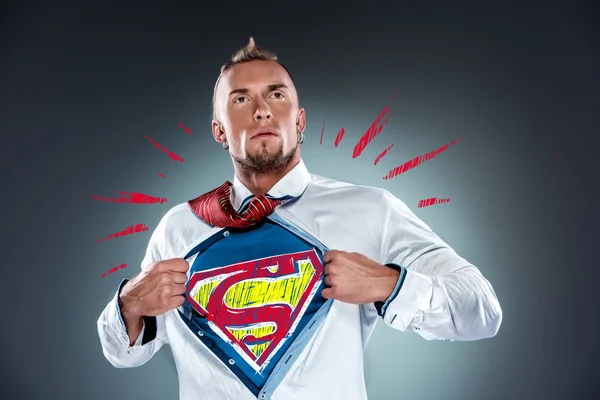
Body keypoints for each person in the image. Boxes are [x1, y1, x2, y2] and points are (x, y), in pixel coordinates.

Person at [97, 37, 502, 400]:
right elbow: (122, 353)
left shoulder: (370, 210)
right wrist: (129, 304)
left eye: (276, 95)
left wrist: (389, 284)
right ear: (219, 131)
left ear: (299, 119)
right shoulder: (179, 227)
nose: (261, 111)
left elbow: (482, 310)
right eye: (241, 99)